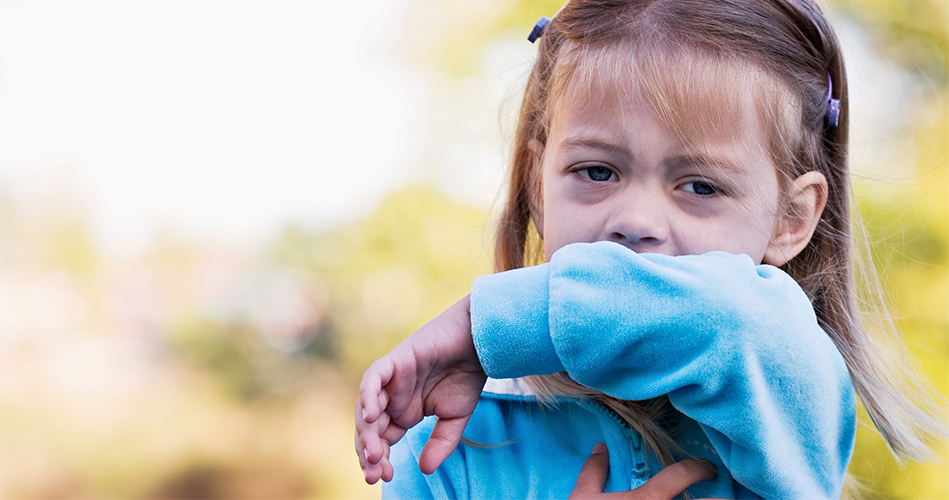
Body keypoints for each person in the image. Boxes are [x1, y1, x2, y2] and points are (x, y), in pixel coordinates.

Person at [355, 0, 942, 498]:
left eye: (700, 186)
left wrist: (488, 325)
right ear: (538, 181)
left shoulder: (781, 379)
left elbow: (733, 317)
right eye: (596, 171)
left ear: (790, 219)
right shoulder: (454, 444)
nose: (635, 220)